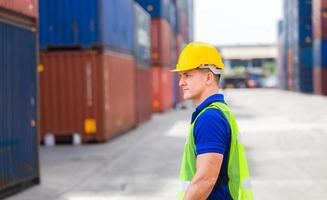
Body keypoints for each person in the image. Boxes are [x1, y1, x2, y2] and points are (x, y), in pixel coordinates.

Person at [172, 42, 254, 200]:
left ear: (208, 77)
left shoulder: (210, 119)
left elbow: (205, 180)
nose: (181, 82)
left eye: (187, 75)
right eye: (180, 76)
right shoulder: (218, 112)